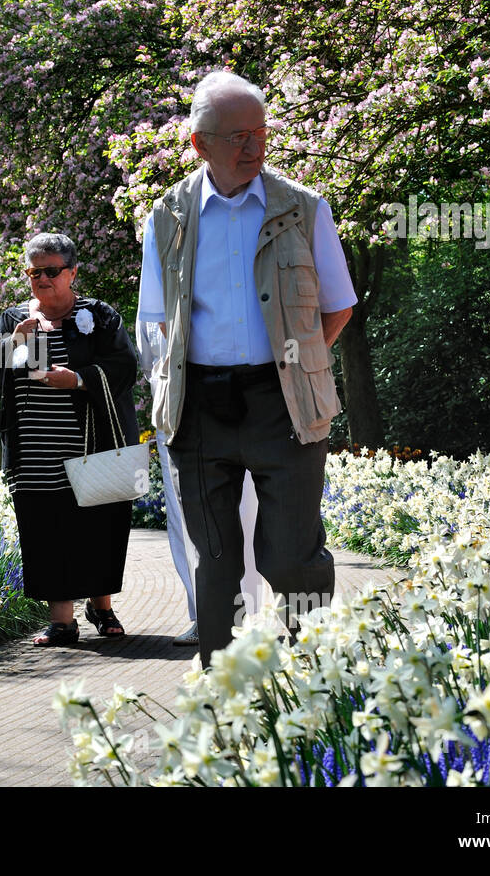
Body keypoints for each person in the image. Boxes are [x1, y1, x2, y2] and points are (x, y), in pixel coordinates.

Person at [137, 69, 357, 664]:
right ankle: (222, 685)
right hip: (200, 409)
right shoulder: (168, 217)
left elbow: (337, 307)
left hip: (284, 404)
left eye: (259, 132)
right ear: (198, 143)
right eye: (236, 136)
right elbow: (161, 321)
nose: (252, 147)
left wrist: (295, 362)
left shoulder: (305, 210)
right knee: (216, 561)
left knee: (291, 556)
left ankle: (311, 672)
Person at [0, 232, 139, 646]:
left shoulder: (97, 316)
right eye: (34, 272)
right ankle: (62, 622)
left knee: (99, 525)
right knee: (45, 530)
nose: (42, 279)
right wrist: (14, 342)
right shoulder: (13, 320)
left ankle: (101, 608)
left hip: (92, 441)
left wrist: (80, 379)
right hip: (33, 450)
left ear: (72, 273)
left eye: (51, 271)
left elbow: (123, 366)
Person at [137, 320, 270, 647]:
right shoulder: (152, 298)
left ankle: (245, 615)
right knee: (185, 521)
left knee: (245, 511)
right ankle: (206, 617)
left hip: (235, 405)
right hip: (175, 415)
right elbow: (147, 360)